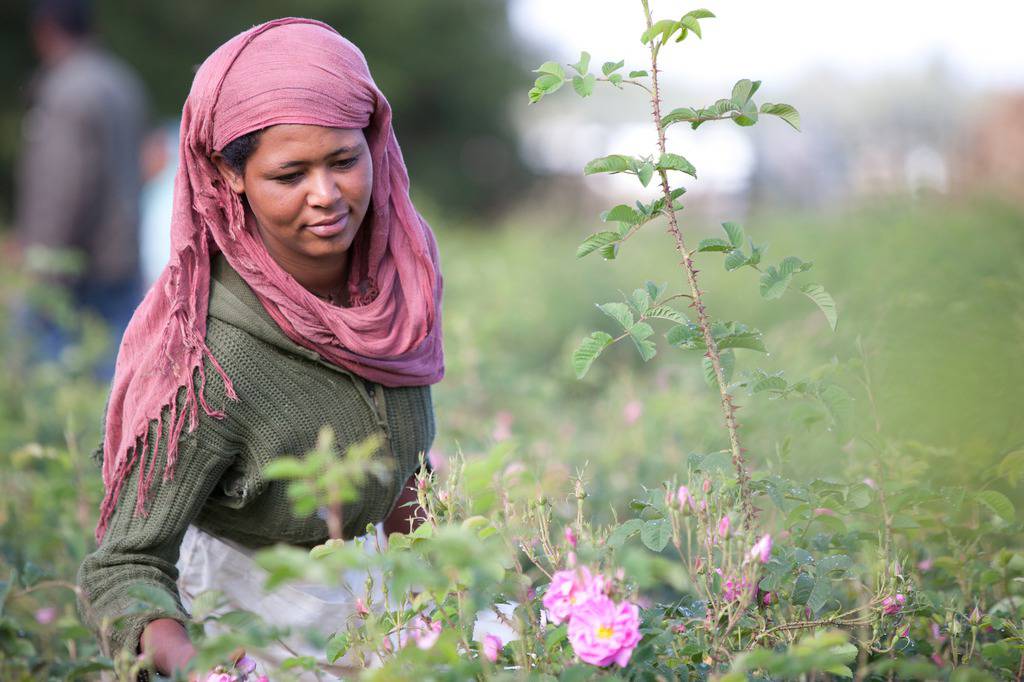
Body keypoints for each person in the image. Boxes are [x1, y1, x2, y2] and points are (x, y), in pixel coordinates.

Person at [75, 18, 445, 680]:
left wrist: (441, 602)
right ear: (229, 173)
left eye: (342, 161)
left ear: (375, 144)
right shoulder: (204, 358)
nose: (326, 196)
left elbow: (406, 477)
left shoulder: (398, 287)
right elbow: (124, 568)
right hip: (258, 625)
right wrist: (205, 668)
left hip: (388, 608)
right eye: (289, 173)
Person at [15, 0, 147, 373]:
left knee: (48, 383)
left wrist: (42, 266)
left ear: (45, 31)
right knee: (120, 379)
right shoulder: (122, 81)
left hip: (75, 271)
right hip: (122, 258)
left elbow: (61, 188)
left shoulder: (66, 91)